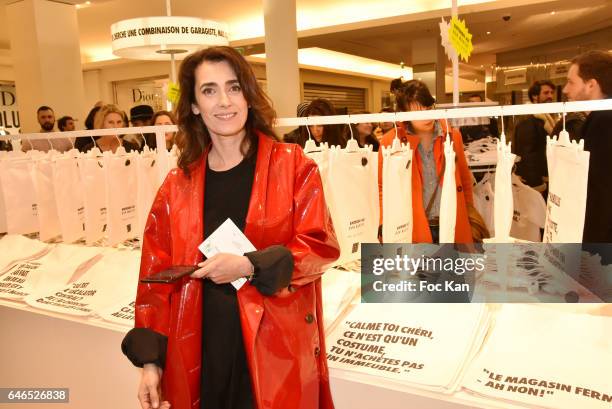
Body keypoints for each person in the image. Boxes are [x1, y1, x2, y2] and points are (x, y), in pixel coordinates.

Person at [121, 46, 340, 409]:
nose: (224, 101)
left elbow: (320, 245)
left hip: (274, 350)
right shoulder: (178, 185)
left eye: (234, 87)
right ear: (194, 105)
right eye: (209, 90)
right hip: (201, 348)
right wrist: (150, 362)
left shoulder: (293, 166)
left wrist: (251, 265)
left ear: (248, 96)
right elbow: (156, 278)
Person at [378, 80, 474, 243]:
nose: (426, 115)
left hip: (452, 222)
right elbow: (383, 188)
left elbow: (464, 180)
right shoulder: (391, 141)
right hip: (414, 224)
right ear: (404, 114)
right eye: (417, 111)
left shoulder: (451, 135)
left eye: (428, 107)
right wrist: (384, 222)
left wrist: (470, 215)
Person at [562, 50, 612, 244]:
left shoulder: (603, 121)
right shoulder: (600, 119)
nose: (566, 90)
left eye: (571, 82)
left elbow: (600, 193)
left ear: (591, 85)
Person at [512, 80, 557, 189]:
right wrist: (536, 184)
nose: (550, 96)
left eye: (551, 92)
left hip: (545, 176)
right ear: (535, 96)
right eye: (546, 93)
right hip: (535, 180)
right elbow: (527, 155)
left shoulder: (545, 118)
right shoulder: (529, 119)